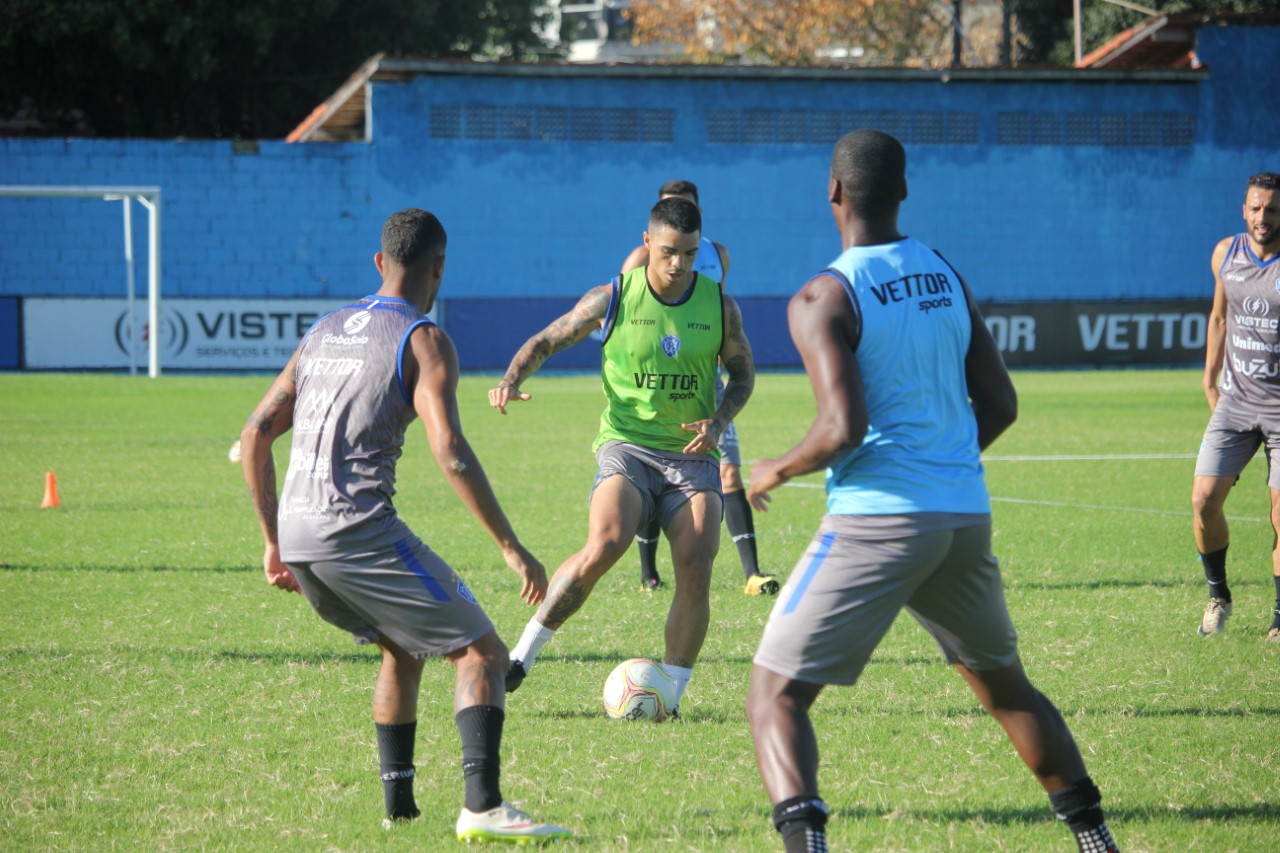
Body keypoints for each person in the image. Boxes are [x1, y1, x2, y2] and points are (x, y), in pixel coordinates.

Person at [743, 130, 1119, 853]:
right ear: (904, 191)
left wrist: (777, 468)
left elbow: (842, 427)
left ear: (833, 192)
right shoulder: (944, 272)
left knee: (774, 693)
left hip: (877, 522)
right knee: (1007, 688)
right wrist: (943, 465)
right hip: (962, 518)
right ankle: (1096, 841)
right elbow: (1001, 404)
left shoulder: (824, 294)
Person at [240, 208, 571, 844]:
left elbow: (255, 434)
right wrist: (510, 546)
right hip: (355, 531)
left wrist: (273, 541)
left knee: (403, 645)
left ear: (378, 263)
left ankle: (399, 811)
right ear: (439, 268)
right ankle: (484, 806)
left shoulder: (324, 331)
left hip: (303, 538)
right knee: (482, 651)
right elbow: (450, 450)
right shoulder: (423, 340)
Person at [488, 196, 755, 714]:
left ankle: (669, 697)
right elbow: (548, 339)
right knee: (606, 543)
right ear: (648, 243)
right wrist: (510, 379)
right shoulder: (612, 298)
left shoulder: (719, 305)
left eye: (691, 253)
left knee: (697, 564)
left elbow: (743, 373)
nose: (679, 264)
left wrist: (719, 421)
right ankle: (519, 658)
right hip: (627, 449)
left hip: (691, 457)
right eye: (670, 251)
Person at [621, 179, 779, 597]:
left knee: (729, 468)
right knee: (654, 472)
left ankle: (752, 573)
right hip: (658, 384)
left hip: (707, 382)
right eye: (668, 209)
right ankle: (648, 570)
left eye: (684, 208)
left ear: (699, 214)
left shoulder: (717, 254)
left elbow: (715, 308)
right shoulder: (638, 258)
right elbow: (627, 314)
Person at [1192, 171, 1280, 641]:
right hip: (1236, 401)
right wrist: (1210, 379)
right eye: (1256, 208)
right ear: (1243, 208)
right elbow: (1220, 316)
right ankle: (1218, 596)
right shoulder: (1226, 253)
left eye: (1271, 209)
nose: (1262, 217)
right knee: (1204, 501)